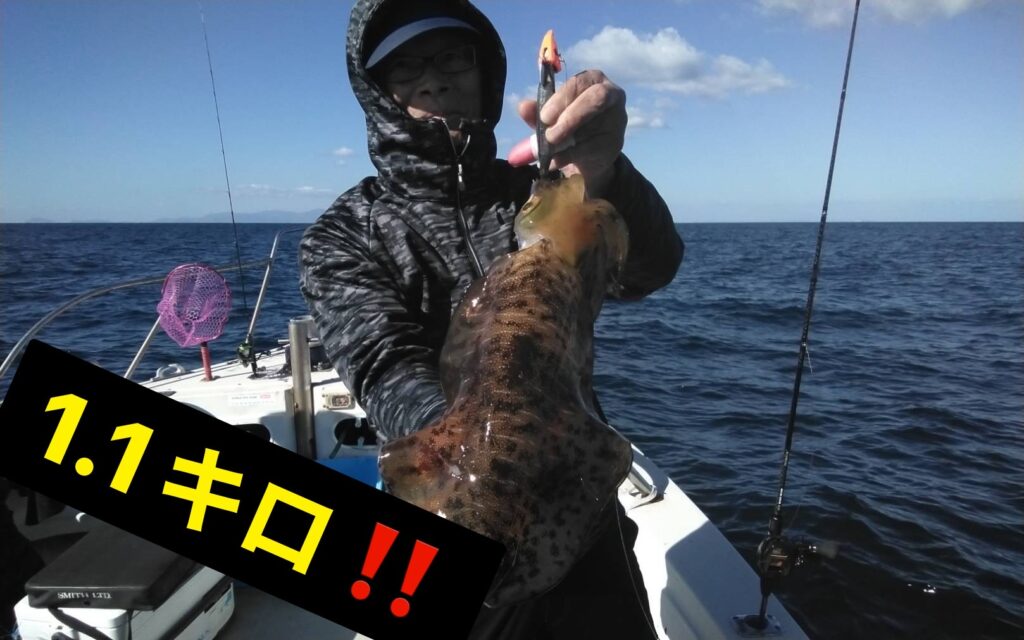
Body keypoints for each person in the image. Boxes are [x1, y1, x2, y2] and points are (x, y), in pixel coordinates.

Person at [299, 0, 683, 637]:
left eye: (452, 57)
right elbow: (382, 365)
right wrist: (484, 460)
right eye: (405, 67)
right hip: (447, 511)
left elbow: (650, 269)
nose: (433, 79)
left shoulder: (537, 193)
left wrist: (603, 176)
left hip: (579, 499)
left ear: (486, 73)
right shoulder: (344, 234)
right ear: (377, 91)